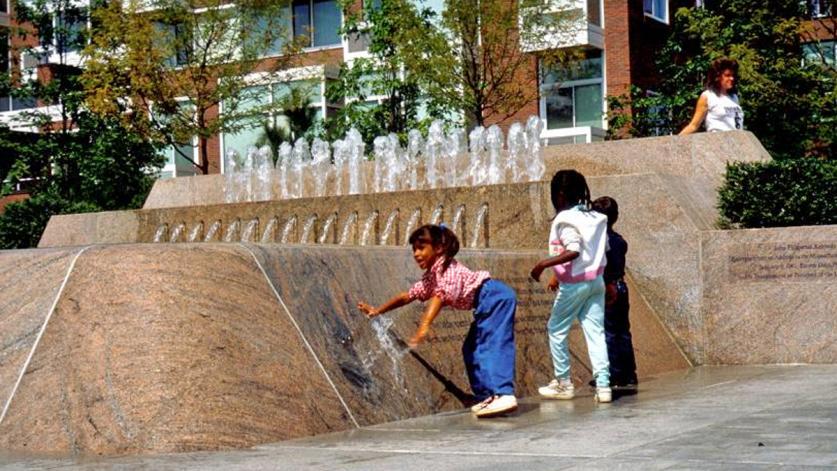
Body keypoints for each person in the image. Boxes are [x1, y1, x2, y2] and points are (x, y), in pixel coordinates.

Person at [358, 224, 519, 418]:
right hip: (485, 304)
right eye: (414, 249)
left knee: (492, 344)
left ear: (439, 248)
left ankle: (502, 393)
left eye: (421, 247)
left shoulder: (447, 268)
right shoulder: (432, 276)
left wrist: (425, 324)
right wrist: (377, 311)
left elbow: (440, 296)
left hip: (493, 297)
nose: (416, 254)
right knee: (471, 349)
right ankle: (485, 396)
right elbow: (407, 296)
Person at [530, 170, 612, 403]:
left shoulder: (565, 219)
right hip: (596, 281)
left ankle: (564, 383)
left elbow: (573, 249)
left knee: (556, 328)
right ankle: (604, 386)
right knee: (596, 332)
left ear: (560, 195)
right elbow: (604, 251)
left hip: (575, 284)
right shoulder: (596, 217)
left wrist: (542, 265)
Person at [592, 196, 638, 390]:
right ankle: (629, 374)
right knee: (623, 331)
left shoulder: (601, 242)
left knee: (608, 332)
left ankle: (614, 373)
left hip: (609, 288)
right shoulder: (620, 241)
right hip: (622, 287)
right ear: (616, 217)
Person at [679, 57, 744, 135]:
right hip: (718, 142)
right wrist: (674, 142)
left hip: (737, 142)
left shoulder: (734, 97)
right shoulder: (708, 96)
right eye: (727, 75)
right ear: (717, 77)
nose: (732, 78)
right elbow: (694, 126)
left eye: (733, 75)